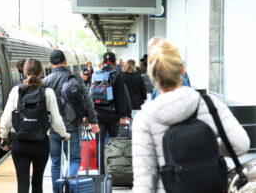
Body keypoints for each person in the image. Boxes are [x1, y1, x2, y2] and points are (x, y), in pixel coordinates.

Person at [132, 40, 250, 193]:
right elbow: (241, 144)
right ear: (182, 70)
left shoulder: (144, 119)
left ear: (153, 75)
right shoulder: (209, 104)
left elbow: (144, 182)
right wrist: (205, 147)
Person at [0, 58, 70, 193]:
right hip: (41, 144)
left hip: (20, 143)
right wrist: (64, 134)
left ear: (24, 71)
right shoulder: (48, 92)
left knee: (22, 183)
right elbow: (56, 119)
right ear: (42, 72)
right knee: (38, 181)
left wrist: (3, 136)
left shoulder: (16, 91)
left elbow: (6, 117)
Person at [43, 50, 100, 193]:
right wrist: (93, 121)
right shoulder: (75, 78)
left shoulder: (46, 81)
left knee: (55, 162)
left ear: (50, 64)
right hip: (72, 125)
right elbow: (88, 100)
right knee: (74, 159)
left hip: (53, 127)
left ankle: (57, 190)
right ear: (65, 62)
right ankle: (67, 187)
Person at [91, 52, 128, 174]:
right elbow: (120, 97)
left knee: (99, 143)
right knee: (114, 143)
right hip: (113, 114)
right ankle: (114, 170)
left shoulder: (96, 74)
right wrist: (122, 116)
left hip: (98, 114)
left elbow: (90, 95)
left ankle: (101, 171)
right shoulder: (118, 74)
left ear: (103, 61)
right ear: (114, 61)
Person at [121, 59, 147, 129]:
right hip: (136, 103)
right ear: (134, 66)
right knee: (135, 125)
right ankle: (133, 138)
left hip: (124, 104)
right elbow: (143, 90)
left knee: (124, 127)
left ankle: (126, 138)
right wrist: (145, 100)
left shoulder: (121, 76)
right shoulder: (139, 76)